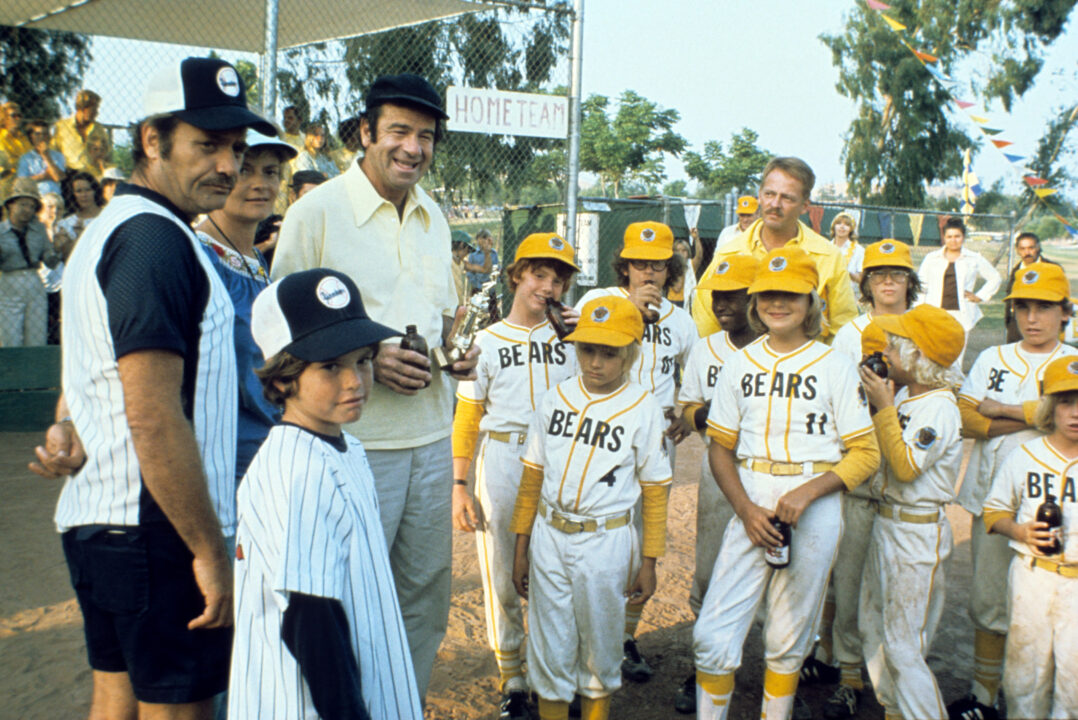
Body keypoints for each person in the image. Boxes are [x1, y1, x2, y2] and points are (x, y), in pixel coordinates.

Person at [53, 56, 273, 720]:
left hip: (103, 519)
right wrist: (207, 549)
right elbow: (152, 413)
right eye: (206, 145)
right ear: (152, 141)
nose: (229, 166)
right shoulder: (155, 240)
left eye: (236, 148)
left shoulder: (115, 230)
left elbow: (100, 380)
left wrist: (68, 426)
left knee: (116, 699)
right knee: (180, 709)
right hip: (157, 527)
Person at [272, 72, 479, 700]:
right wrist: (368, 359)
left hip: (429, 436)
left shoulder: (434, 217)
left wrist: (451, 355)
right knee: (349, 597)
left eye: (426, 136)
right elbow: (279, 333)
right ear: (365, 133)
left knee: (423, 594)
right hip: (352, 444)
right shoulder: (317, 212)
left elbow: (439, 318)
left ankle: (401, 705)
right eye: (398, 132)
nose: (413, 148)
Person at [693, 247, 879, 720]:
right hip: (751, 495)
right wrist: (745, 510)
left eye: (790, 295)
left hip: (812, 499)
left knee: (787, 637)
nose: (778, 304)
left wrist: (809, 491)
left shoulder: (833, 364)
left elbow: (867, 453)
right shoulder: (740, 362)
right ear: (755, 303)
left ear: (812, 301)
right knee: (712, 637)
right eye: (767, 295)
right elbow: (719, 448)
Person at [230, 268, 422, 720]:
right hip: (307, 703)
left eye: (362, 360)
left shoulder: (343, 447)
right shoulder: (298, 470)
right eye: (330, 367)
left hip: (361, 682)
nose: (354, 380)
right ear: (282, 379)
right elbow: (310, 620)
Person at [510, 294, 672, 720]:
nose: (595, 362)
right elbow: (532, 479)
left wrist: (649, 560)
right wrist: (520, 548)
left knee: (600, 647)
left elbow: (655, 489)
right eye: (586, 349)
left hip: (606, 537)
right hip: (548, 534)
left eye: (609, 353)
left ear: (632, 354)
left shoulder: (643, 406)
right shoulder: (555, 397)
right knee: (549, 645)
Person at [452, 233, 580, 719]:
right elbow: (468, 416)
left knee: (556, 572)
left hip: (561, 459)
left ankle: (552, 674)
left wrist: (585, 334)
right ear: (516, 276)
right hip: (504, 457)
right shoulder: (486, 341)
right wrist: (460, 485)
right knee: (503, 571)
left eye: (558, 278)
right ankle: (513, 678)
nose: (548, 286)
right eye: (539, 274)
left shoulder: (573, 338)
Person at [947, 261, 1077, 720]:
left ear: (1065, 311)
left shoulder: (1073, 359)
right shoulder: (992, 359)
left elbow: (989, 417)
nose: (1033, 318)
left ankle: (1040, 700)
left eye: (1045, 307)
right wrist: (1037, 415)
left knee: (1049, 609)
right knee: (988, 600)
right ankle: (984, 697)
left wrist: (1002, 410)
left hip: (1056, 509)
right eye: (1023, 307)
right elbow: (964, 420)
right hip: (992, 496)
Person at [802, 239, 925, 718]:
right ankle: (844, 670)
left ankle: (888, 671)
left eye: (897, 274)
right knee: (846, 574)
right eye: (878, 274)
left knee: (894, 586)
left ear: (909, 282)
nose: (888, 281)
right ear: (866, 282)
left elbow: (944, 389)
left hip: (905, 471)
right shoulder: (850, 331)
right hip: (861, 464)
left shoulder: (925, 327)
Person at [575, 220, 696, 681]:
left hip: (654, 450)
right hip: (600, 446)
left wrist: (686, 411)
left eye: (659, 264)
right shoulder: (597, 303)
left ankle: (625, 638)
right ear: (623, 266)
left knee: (640, 545)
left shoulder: (681, 322)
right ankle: (585, 637)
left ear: (671, 270)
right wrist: (630, 310)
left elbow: (697, 378)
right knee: (594, 540)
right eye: (639, 263)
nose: (648, 272)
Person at [856, 306, 965, 720]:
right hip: (886, 522)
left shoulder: (940, 406)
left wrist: (883, 406)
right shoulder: (905, 394)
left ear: (919, 356)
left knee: (904, 646)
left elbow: (904, 468)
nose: (885, 351)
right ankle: (895, 711)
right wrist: (880, 404)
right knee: (873, 630)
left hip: (917, 532)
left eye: (895, 347)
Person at [672, 254, 761, 714]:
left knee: (771, 574)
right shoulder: (707, 348)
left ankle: (771, 674)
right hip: (716, 464)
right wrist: (712, 414)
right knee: (709, 570)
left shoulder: (781, 347)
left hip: (768, 468)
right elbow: (686, 410)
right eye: (717, 296)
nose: (723, 304)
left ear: (756, 298)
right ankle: (703, 668)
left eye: (734, 295)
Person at [195, 129, 297, 483]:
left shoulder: (256, 261)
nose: (260, 184)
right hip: (220, 458)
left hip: (267, 450)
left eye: (270, 172)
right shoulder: (196, 255)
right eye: (246, 169)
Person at [982, 355, 1078, 719]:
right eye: (1066, 401)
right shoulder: (1026, 455)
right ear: (1049, 408)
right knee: (1025, 676)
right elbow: (994, 511)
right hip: (1033, 574)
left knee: (1074, 682)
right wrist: (1020, 530)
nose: (1075, 412)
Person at [692, 157, 858, 342]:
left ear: (804, 205)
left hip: (806, 367)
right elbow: (706, 321)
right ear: (760, 196)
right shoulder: (729, 254)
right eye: (770, 194)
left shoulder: (828, 256)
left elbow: (843, 330)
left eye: (787, 197)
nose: (775, 204)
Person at [917, 217, 1001, 345]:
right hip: (934, 313)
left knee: (956, 356)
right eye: (949, 237)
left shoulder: (973, 258)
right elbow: (921, 286)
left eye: (957, 236)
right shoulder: (931, 258)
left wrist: (980, 296)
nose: (953, 240)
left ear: (963, 237)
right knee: (932, 352)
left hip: (961, 314)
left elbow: (995, 277)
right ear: (944, 237)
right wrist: (918, 309)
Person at [0, 177, 59, 347]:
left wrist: (57, 251)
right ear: (11, 204)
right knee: (10, 339)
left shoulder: (38, 229)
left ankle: (34, 372)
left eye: (32, 206)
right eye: (23, 204)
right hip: (9, 282)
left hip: (34, 281)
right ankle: (11, 372)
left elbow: (50, 260)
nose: (27, 210)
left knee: (36, 337)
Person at [1003, 231, 1056, 343]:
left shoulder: (1052, 269)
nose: (1027, 252)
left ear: (1038, 248)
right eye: (1022, 249)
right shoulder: (1016, 271)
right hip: (1016, 326)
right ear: (1017, 250)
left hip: (1044, 324)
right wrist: (1010, 322)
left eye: (1031, 248)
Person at [51, 89, 111, 174]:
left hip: (93, 174)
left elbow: (107, 155)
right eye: (94, 109)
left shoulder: (99, 129)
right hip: (69, 173)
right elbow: (54, 151)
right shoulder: (62, 127)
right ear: (82, 108)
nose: (97, 113)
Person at [17, 120, 66, 197]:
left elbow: (58, 177)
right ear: (31, 137)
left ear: (49, 136)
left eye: (45, 134)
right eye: (37, 134)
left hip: (54, 196)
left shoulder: (58, 156)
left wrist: (46, 155)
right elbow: (23, 182)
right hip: (35, 196)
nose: (42, 137)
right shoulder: (25, 158)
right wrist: (45, 176)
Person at [0, 101, 31, 197]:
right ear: (4, 119)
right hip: (6, 182)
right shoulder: (1, 137)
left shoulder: (24, 138)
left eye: (19, 115)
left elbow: (32, 160)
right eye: (13, 116)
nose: (17, 118)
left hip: (25, 182)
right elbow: (5, 164)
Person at [829, 212, 863, 297]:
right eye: (838, 223)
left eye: (847, 224)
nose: (842, 227)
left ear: (851, 229)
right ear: (834, 226)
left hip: (849, 296)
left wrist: (846, 272)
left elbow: (861, 279)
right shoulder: (825, 247)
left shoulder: (858, 250)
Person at [450, 230, 474, 307]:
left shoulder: (461, 262)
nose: (467, 253)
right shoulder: (447, 261)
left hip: (457, 305)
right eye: (468, 250)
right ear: (461, 245)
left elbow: (484, 270)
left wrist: (487, 253)